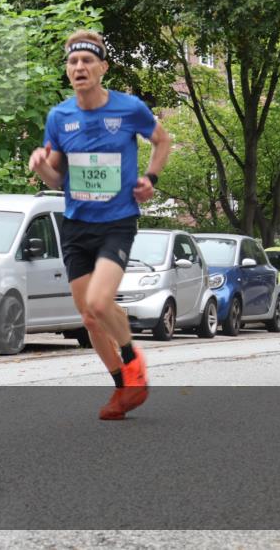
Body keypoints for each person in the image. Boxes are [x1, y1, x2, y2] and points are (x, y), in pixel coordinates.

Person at [29, 30, 172, 420]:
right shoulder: (60, 116)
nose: (79, 68)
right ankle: (122, 389)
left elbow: (162, 140)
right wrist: (43, 168)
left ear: (102, 68)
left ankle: (132, 360)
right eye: (73, 62)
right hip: (76, 225)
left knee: (98, 301)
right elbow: (57, 180)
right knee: (90, 317)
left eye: (87, 61)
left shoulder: (129, 109)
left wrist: (151, 179)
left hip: (117, 222)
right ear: (67, 69)